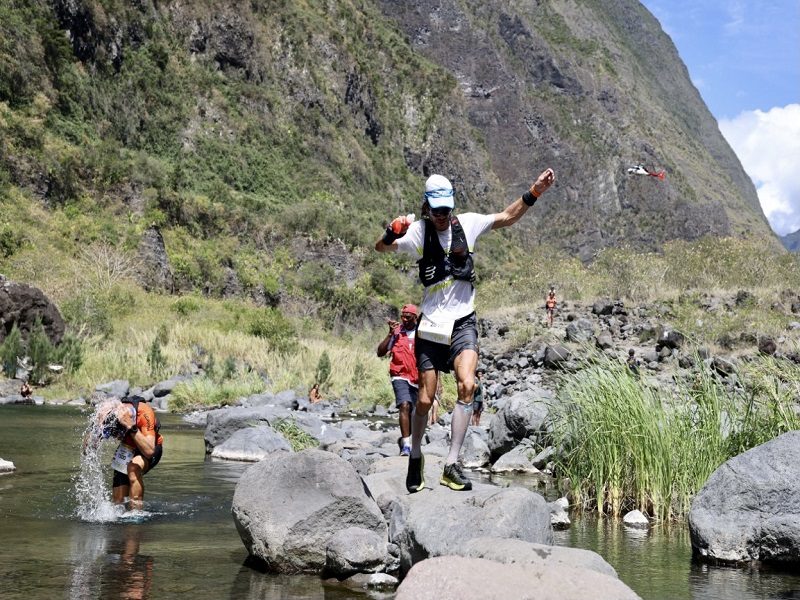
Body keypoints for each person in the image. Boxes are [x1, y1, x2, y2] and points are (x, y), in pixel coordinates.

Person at [376, 166, 556, 492]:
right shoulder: (417, 233)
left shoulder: (467, 225)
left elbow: (506, 216)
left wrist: (535, 191)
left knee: (467, 385)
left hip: (464, 322)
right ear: (427, 208)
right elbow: (382, 248)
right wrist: (391, 232)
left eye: (446, 210)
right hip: (430, 328)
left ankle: (451, 464)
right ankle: (415, 455)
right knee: (425, 400)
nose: (442, 216)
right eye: (436, 210)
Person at [87, 396, 164, 511]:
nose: (116, 437)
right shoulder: (110, 418)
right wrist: (96, 426)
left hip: (149, 446)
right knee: (118, 501)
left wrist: (131, 426)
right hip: (127, 448)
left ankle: (136, 514)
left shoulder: (143, 412)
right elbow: (86, 450)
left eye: (118, 434)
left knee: (133, 468)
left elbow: (149, 451)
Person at [377, 304, 419, 456]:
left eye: (408, 317)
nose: (404, 320)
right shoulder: (396, 333)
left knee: (415, 413)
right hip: (399, 375)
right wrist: (389, 334)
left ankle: (408, 439)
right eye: (403, 316)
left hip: (417, 379)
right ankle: (406, 445)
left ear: (415, 318)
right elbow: (380, 353)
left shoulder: (422, 333)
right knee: (404, 405)